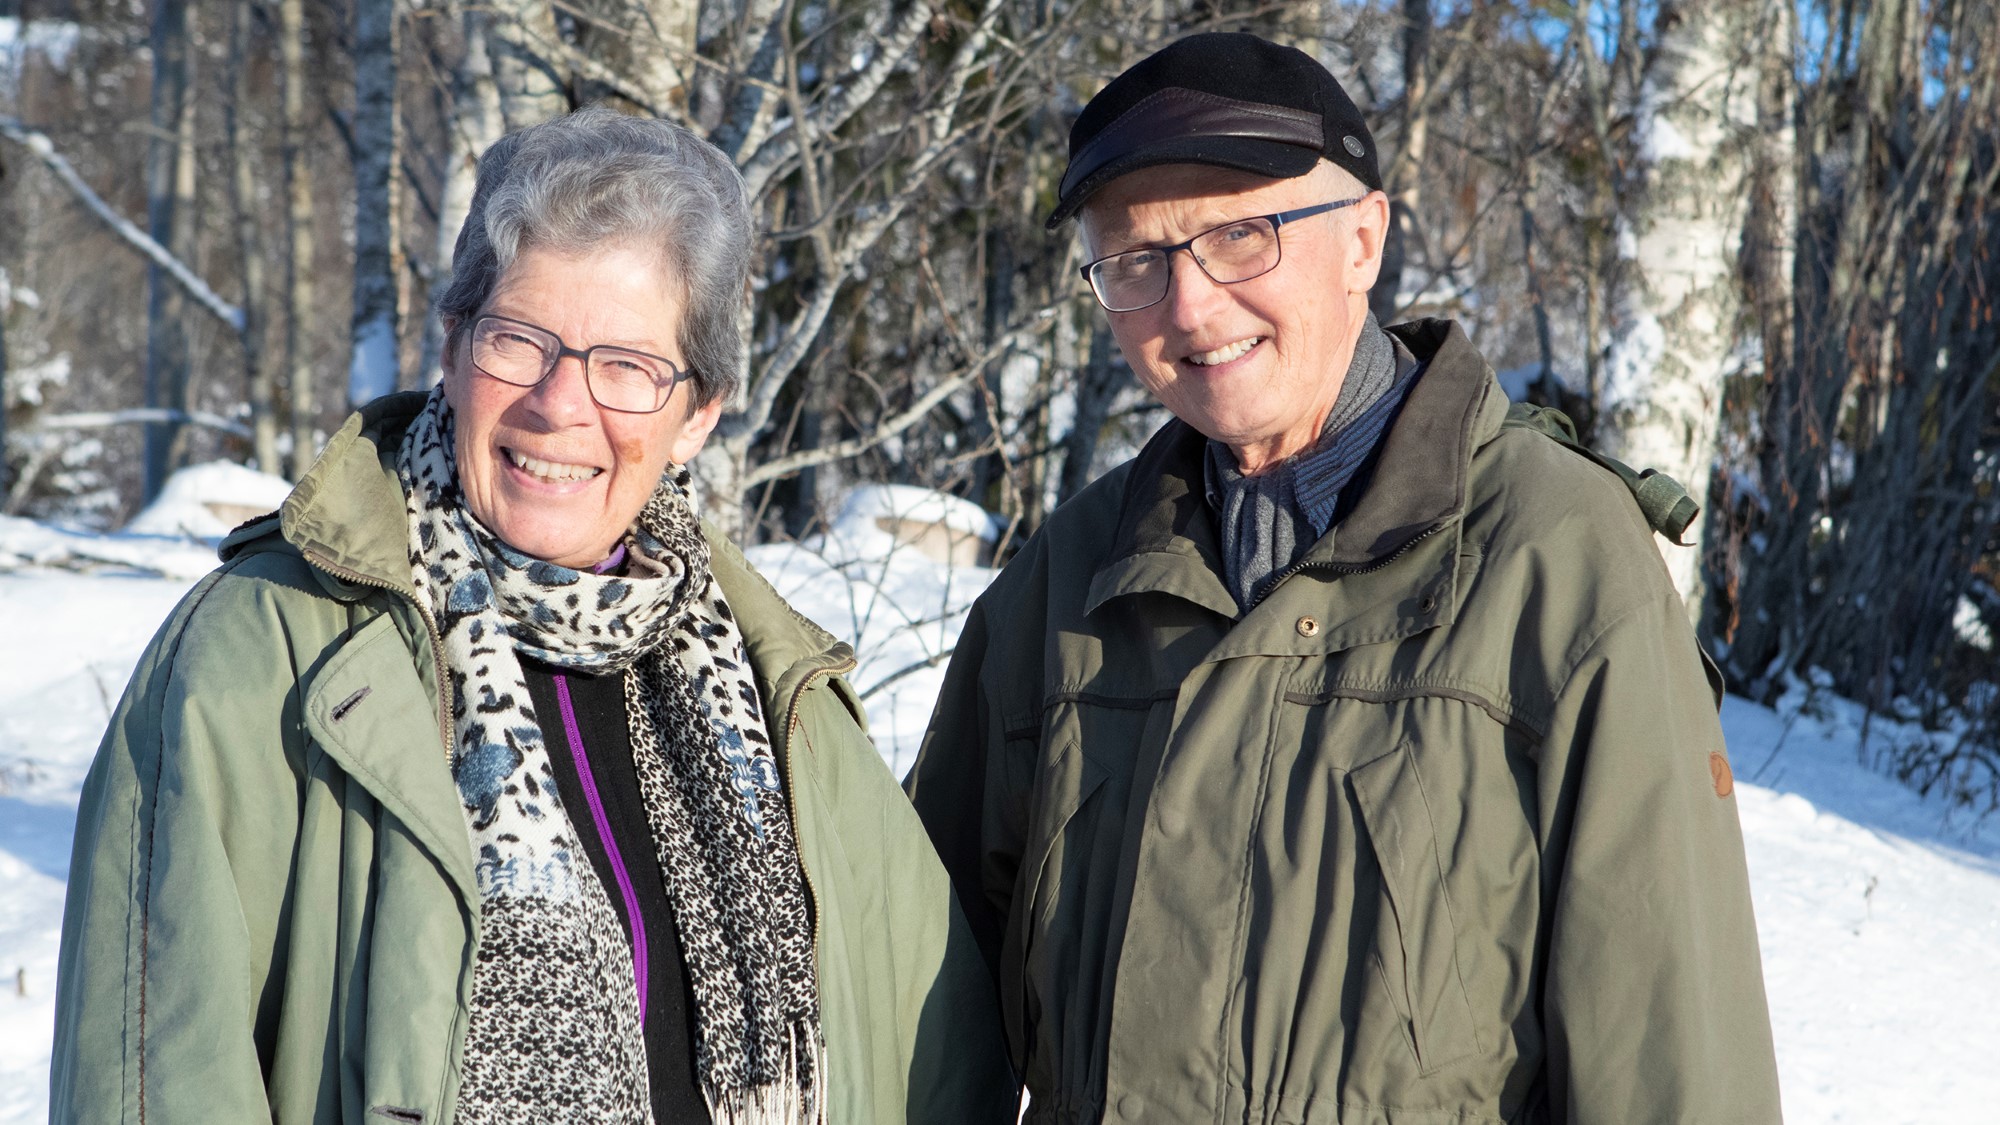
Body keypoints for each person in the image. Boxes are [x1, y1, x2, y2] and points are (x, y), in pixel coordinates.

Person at [52, 107, 1012, 1125]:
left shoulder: (785, 702)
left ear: (698, 413)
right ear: (454, 343)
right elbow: (155, 1083)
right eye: (519, 340)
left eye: (627, 366)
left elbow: (931, 1065)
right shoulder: (260, 654)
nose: (560, 404)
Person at [906, 32, 1781, 1125]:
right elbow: (921, 1005)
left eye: (1239, 237)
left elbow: (1669, 1054)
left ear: (1361, 239)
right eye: (1136, 261)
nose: (1188, 307)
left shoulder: (1556, 559)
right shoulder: (1067, 578)